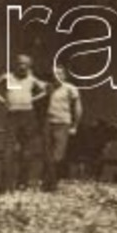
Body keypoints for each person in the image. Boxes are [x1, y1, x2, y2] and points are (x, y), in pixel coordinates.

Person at [0, 54, 47, 191]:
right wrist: (3, 100)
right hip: (12, 115)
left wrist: (32, 99)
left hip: (28, 115)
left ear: (29, 66)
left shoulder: (32, 79)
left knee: (27, 151)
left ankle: (22, 184)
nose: (22, 66)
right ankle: (5, 186)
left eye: (26, 64)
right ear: (16, 64)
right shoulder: (8, 77)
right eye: (20, 63)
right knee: (8, 150)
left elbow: (46, 90)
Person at [41, 62, 82, 191]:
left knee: (58, 155)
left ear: (65, 75)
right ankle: (49, 184)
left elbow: (78, 108)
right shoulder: (49, 87)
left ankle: (51, 183)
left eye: (60, 73)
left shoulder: (71, 88)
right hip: (48, 123)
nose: (57, 75)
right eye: (55, 73)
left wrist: (75, 125)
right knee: (47, 154)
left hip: (63, 123)